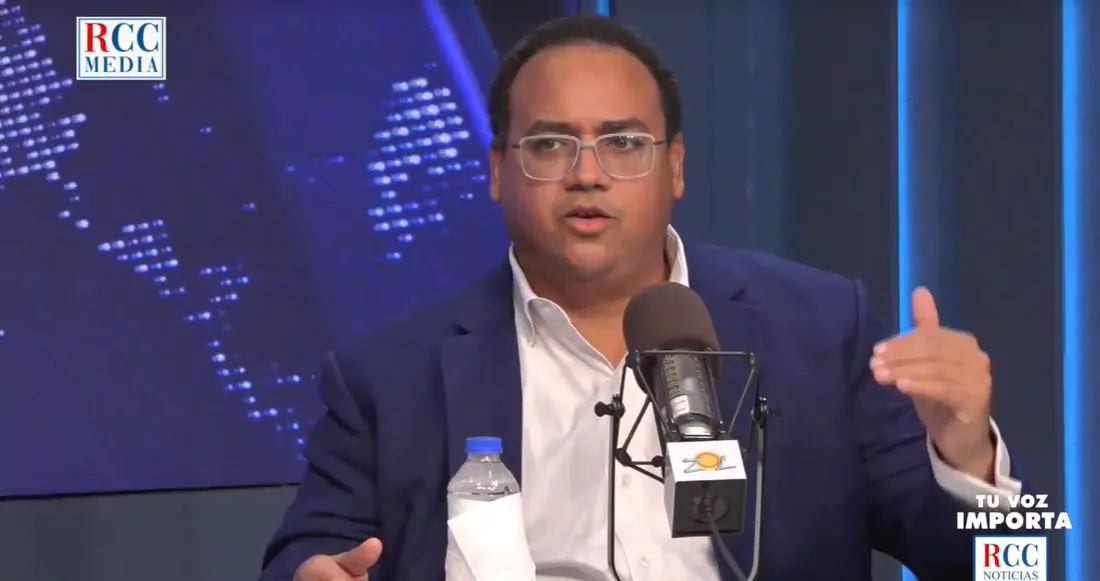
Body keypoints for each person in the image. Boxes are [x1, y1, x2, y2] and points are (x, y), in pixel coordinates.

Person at [259, 15, 1024, 581]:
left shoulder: (819, 329)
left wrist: (969, 459)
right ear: (497, 170)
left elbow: (1009, 568)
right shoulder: (388, 376)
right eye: (550, 144)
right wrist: (313, 573)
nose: (587, 174)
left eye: (623, 142)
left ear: (676, 165)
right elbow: (307, 552)